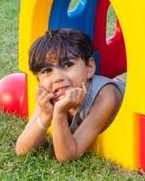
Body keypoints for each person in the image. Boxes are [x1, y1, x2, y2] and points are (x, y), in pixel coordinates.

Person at [15, 28, 124, 160]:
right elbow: (21, 150)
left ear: (89, 68)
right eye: (47, 70)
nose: (57, 78)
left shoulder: (105, 96)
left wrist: (60, 113)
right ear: (39, 81)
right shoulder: (51, 95)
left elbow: (68, 156)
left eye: (67, 65)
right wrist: (45, 116)